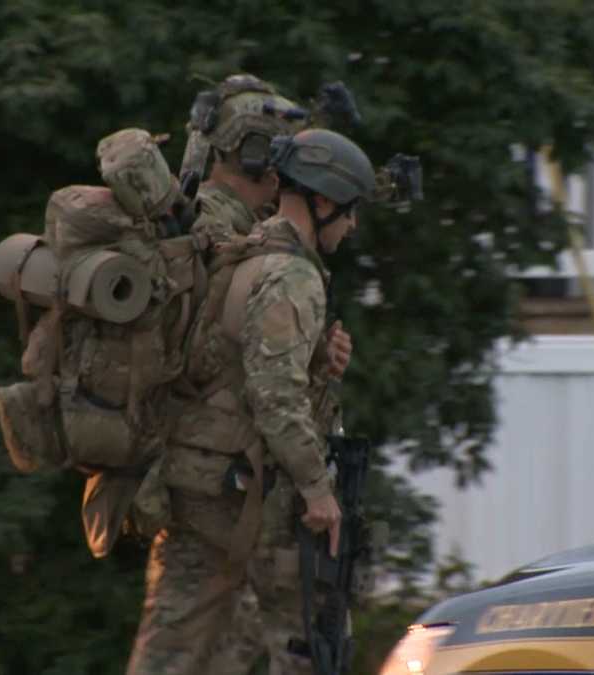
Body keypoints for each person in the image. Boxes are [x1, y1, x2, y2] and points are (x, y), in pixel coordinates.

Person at [126, 128, 376, 675]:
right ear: (324, 200)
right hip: (244, 495)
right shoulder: (293, 276)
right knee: (311, 642)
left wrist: (321, 360)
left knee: (175, 654)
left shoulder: (245, 251)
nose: (352, 225)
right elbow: (274, 394)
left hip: (195, 484)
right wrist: (317, 489)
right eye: (350, 211)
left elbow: (234, 365)